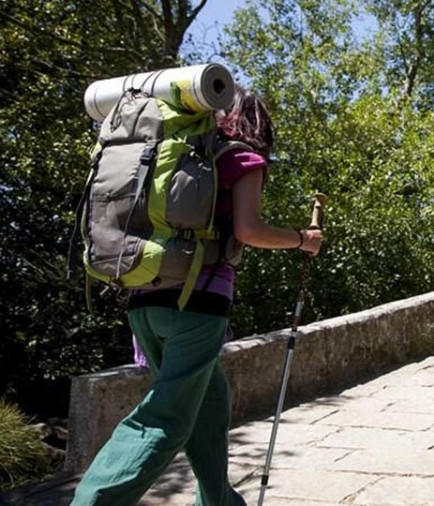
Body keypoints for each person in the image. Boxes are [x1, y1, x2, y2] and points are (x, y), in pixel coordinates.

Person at [71, 89, 323, 506]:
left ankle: (219, 501)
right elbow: (248, 230)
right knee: (165, 417)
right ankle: (93, 502)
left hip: (143, 299)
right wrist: (301, 240)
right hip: (197, 304)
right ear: (258, 123)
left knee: (209, 401)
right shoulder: (240, 158)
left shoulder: (171, 151)